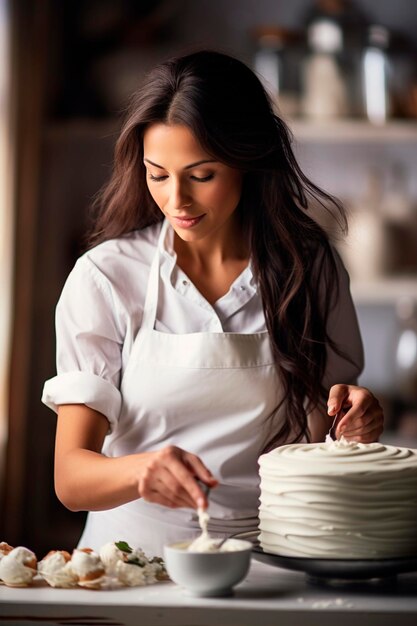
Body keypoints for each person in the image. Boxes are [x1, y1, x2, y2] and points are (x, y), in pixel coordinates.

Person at [42, 49, 383, 556]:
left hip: (279, 555)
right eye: (158, 175)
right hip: (132, 562)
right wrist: (142, 470)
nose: (177, 199)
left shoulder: (309, 268)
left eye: (201, 175)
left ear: (249, 161)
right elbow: (70, 479)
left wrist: (356, 423)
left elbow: (325, 437)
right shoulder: (108, 276)